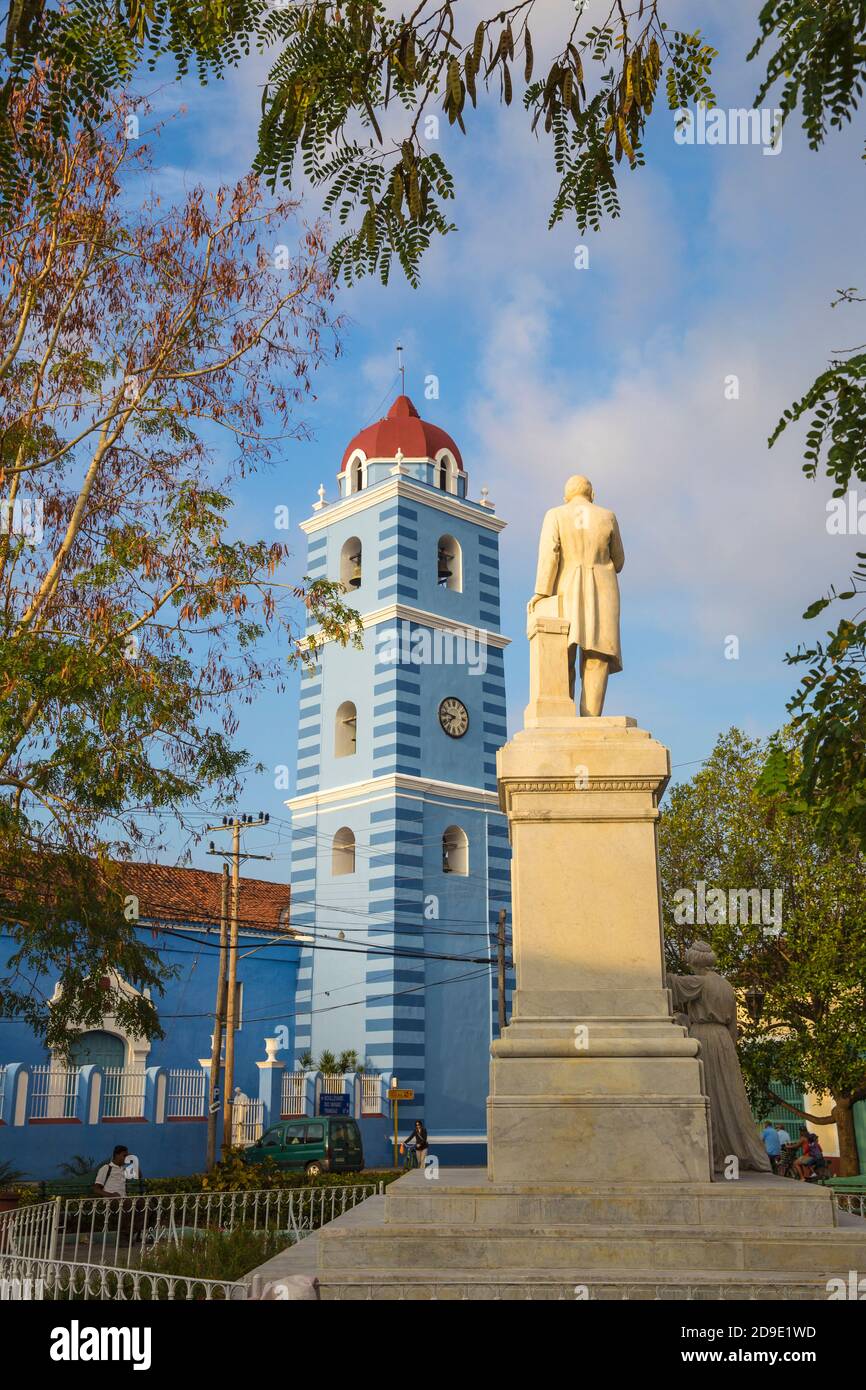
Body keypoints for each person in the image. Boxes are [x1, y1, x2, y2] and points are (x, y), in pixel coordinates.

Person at [666, 942, 771, 1173]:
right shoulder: (726, 985)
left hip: (705, 1036)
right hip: (724, 1039)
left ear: (694, 961)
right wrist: (730, 1046)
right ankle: (736, 1151)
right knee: (729, 1094)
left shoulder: (700, 982)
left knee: (708, 1091)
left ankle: (715, 1153)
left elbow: (669, 984)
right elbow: (733, 1022)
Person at [528, 474, 624, 716]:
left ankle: (563, 715)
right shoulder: (608, 516)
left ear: (566, 497)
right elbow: (619, 561)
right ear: (593, 495)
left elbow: (549, 555)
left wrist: (541, 592)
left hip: (566, 588)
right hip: (604, 588)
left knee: (562, 654)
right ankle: (590, 717)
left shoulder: (556, 514)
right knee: (597, 655)